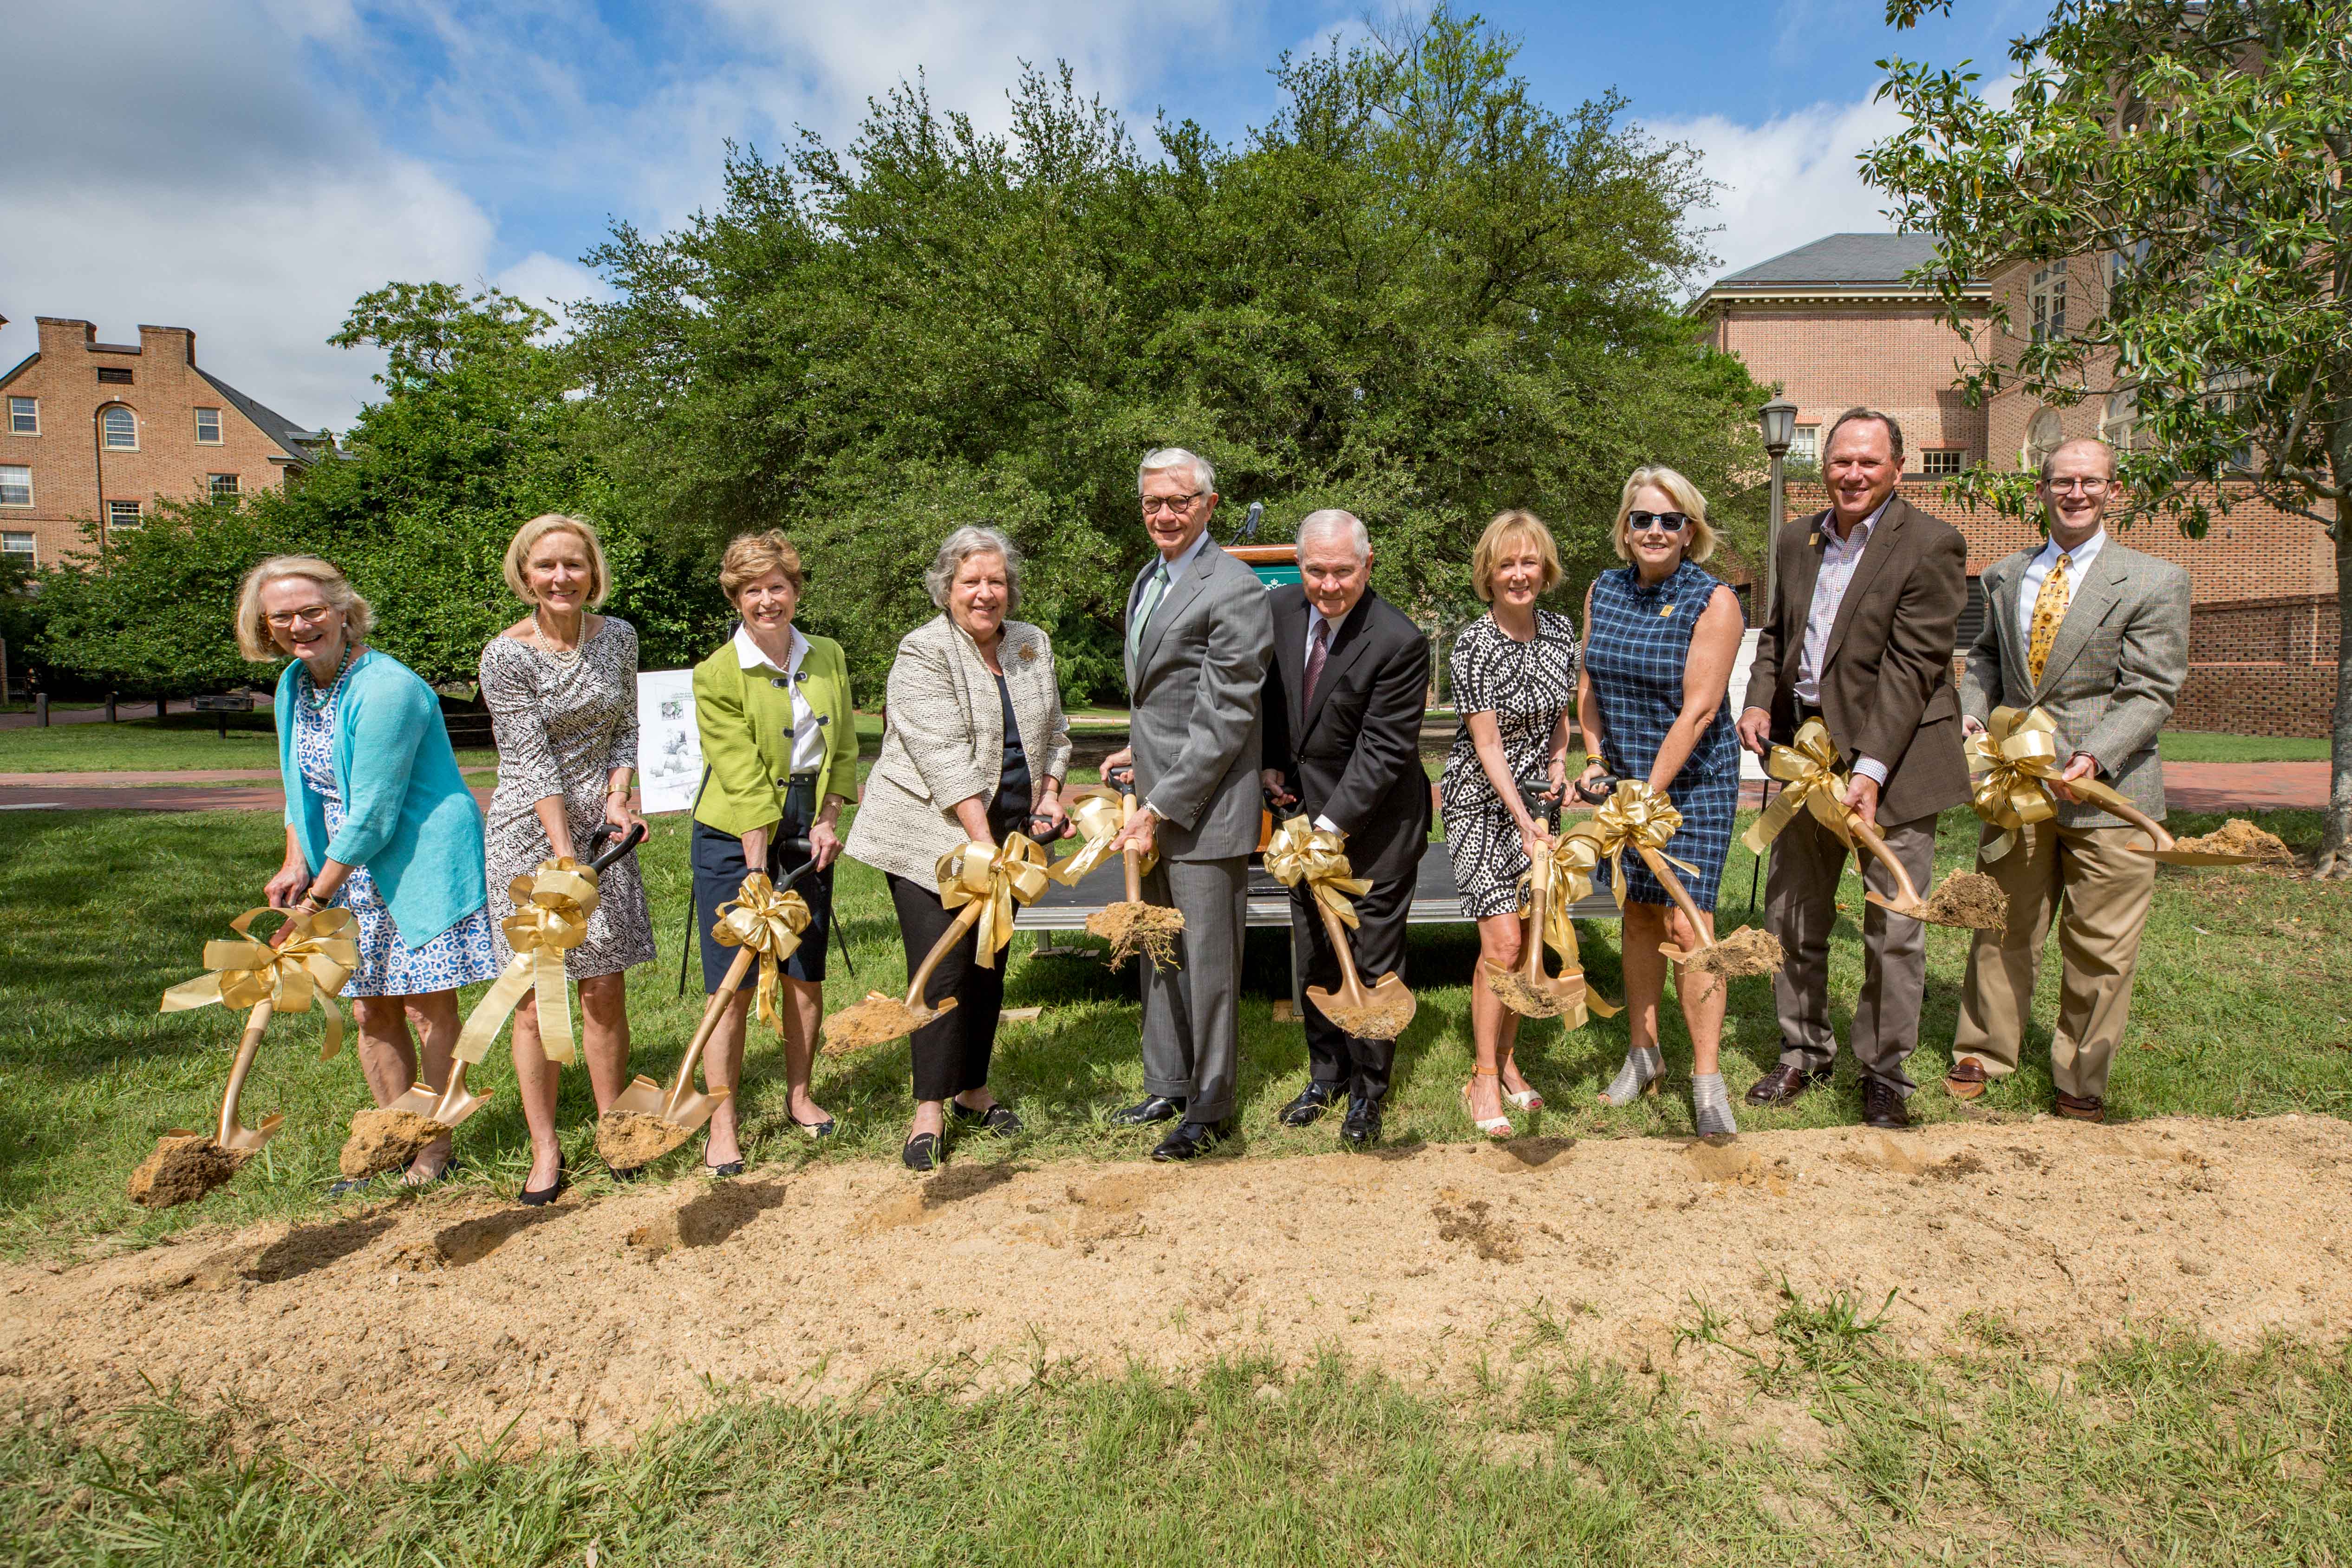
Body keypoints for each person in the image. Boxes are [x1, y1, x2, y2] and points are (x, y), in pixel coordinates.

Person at [1736, 407, 1970, 1129]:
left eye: (1869, 462)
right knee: (1793, 913)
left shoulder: (1931, 545)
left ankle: (1884, 1072)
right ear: (1824, 464)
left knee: (1892, 926)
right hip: (1808, 756)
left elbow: (1911, 668)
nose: (1852, 474)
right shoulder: (1795, 538)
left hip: (1893, 763)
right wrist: (1754, 702)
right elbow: (1777, 634)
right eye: (1841, 460)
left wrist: (1868, 770)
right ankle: (1802, 1050)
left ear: (1898, 469)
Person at [236, 554, 499, 1191]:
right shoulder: (294, 685)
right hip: (343, 861)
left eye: (312, 610)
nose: (300, 625)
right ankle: (393, 1137)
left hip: (417, 857)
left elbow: (377, 810)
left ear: (344, 611)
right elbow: (300, 785)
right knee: (368, 1012)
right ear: (265, 627)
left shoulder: (388, 687)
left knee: (427, 1007)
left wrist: (315, 899)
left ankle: (435, 1151)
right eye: (283, 617)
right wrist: (295, 859)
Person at [1948, 437, 2189, 1123]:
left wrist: (2094, 759)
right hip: (2015, 787)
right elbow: (1984, 664)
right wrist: (1971, 719)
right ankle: (1982, 1051)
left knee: (2100, 944)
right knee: (1998, 925)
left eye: (2089, 482)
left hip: (2108, 792)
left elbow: (2149, 689)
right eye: (2061, 481)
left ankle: (2080, 1077)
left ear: (2114, 491)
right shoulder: (2002, 576)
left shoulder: (2152, 580)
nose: (2074, 493)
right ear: (2041, 490)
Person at [846, 527, 1073, 1171]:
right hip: (932, 837)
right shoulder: (923, 651)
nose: (985, 593)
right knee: (942, 966)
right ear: (947, 588)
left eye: (996, 581)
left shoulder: (1031, 643)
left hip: (1006, 835)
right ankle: (927, 1109)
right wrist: (983, 845)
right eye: (971, 581)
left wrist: (1050, 794)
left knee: (988, 963)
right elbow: (943, 760)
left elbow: (1055, 729)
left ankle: (973, 1089)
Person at [1101, 447, 1276, 1162]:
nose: (1163, 514)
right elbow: (1162, 695)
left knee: (1207, 965)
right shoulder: (1152, 575)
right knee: (1157, 948)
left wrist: (1162, 802)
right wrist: (1135, 757)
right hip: (1157, 795)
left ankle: (1210, 1105)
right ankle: (1166, 1082)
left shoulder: (1233, 586)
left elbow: (1225, 714)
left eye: (1178, 501)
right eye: (1152, 503)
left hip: (1204, 811)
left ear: (1209, 503)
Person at [478, 514, 655, 1203]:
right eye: (546, 566)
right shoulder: (506, 655)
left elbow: (627, 726)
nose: (561, 578)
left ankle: (616, 1130)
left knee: (604, 985)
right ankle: (545, 1146)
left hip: (605, 831)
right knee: (535, 996)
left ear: (593, 572)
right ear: (524, 574)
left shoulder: (619, 639)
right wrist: (564, 861)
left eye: (573, 565)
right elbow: (530, 761)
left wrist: (620, 798)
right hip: (532, 832)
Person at [1575, 468, 1746, 1135]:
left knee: (1688, 923)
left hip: (1693, 782)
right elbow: (1591, 684)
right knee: (1639, 915)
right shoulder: (1603, 589)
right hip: (1625, 783)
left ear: (1690, 531)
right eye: (1642, 518)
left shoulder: (1715, 601)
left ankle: (1707, 1081)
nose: (1654, 530)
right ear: (1624, 527)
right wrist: (1594, 760)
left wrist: (1649, 794)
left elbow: (1700, 710)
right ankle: (1643, 1056)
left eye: (1669, 521)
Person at [1260, 509, 1432, 1148]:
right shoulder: (1277, 611)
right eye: (1315, 570)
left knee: (1370, 962)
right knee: (1315, 951)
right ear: (1299, 565)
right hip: (1301, 818)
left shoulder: (1397, 639)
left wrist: (1326, 830)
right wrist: (1272, 766)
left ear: (1366, 565)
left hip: (1375, 831)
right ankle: (1325, 1074)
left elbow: (1384, 751)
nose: (1328, 584)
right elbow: (1273, 703)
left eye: (1342, 571)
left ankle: (1368, 1093)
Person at [690, 531, 858, 1174]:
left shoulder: (830, 655)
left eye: (778, 586)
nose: (767, 600)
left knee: (803, 970)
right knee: (730, 981)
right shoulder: (716, 672)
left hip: (809, 825)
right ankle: (723, 1123)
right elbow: (738, 771)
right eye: (753, 589)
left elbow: (842, 747)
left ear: (796, 590)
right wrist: (757, 869)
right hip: (735, 835)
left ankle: (800, 1095)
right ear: (736, 597)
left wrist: (828, 817)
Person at [1438, 510, 1578, 1139]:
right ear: (1487, 575)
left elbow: (1559, 718)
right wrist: (1523, 819)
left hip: (1536, 808)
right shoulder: (1473, 644)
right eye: (1506, 564)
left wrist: (1557, 770)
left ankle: (1509, 1058)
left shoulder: (1558, 630)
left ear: (1543, 569)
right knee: (1499, 945)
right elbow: (1487, 745)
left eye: (1528, 562)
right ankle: (1484, 1073)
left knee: (1525, 947)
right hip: (1479, 806)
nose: (1518, 574)